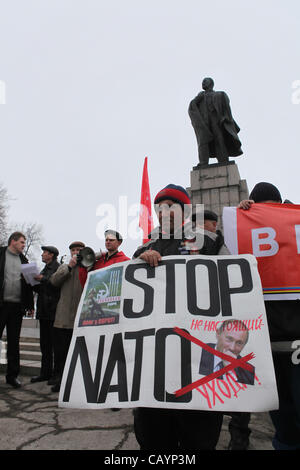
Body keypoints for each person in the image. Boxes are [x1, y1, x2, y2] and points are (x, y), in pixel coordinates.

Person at [132, 184, 228, 450]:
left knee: (198, 437)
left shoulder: (209, 241)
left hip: (198, 357)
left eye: (171, 206)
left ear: (185, 210)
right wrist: (140, 261)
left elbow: (232, 280)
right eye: (159, 208)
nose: (164, 212)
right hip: (154, 360)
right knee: (153, 439)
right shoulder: (146, 246)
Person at [238, 182, 300, 450]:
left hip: (295, 345)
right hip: (270, 348)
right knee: (283, 420)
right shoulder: (246, 235)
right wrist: (241, 218)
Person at [194, 209, 252, 450]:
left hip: (222, 315)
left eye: (201, 223)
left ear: (213, 224)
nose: (195, 227)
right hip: (198, 320)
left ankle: (239, 433)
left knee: (238, 378)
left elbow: (230, 268)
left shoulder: (218, 243)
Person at [49, 241, 85, 393]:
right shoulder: (64, 266)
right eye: (74, 250)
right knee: (60, 352)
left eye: (79, 250)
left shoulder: (87, 266)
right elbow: (54, 281)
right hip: (63, 318)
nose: (76, 252)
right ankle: (59, 378)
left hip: (79, 317)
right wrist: (69, 266)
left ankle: (74, 380)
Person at [0, 232, 34, 388]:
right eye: (21, 242)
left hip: (16, 308)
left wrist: (30, 306)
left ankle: (12, 376)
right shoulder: (1, 253)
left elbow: (31, 285)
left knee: (14, 342)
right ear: (13, 241)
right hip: (1, 305)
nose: (23, 245)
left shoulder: (25, 261)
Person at [188, 77, 243, 165]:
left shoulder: (220, 94)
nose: (203, 83)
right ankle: (203, 162)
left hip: (216, 121)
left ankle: (223, 160)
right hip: (204, 123)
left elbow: (227, 109)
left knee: (219, 139)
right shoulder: (200, 97)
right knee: (203, 142)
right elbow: (192, 107)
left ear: (211, 84)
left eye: (205, 81)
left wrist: (225, 118)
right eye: (202, 82)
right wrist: (196, 100)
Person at [31, 246, 60, 383]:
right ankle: (45, 372)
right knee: (44, 345)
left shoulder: (57, 268)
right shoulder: (45, 268)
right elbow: (42, 289)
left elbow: (55, 284)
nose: (42, 255)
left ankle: (55, 374)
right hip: (43, 311)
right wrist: (32, 282)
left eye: (44, 252)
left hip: (52, 312)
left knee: (53, 345)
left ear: (51, 255)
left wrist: (42, 279)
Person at [199, 319, 255, 385]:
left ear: (244, 345)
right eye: (229, 339)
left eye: (239, 343)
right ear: (218, 334)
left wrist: (230, 371)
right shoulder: (199, 351)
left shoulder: (249, 372)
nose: (232, 347)